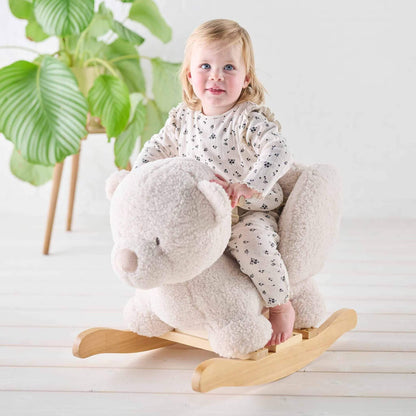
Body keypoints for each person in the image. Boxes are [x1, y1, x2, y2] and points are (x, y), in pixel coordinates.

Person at [133, 19, 296, 346]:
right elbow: (156, 149)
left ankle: (280, 304)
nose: (216, 76)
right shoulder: (183, 118)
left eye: (229, 67)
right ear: (190, 75)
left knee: (251, 243)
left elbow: (279, 150)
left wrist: (248, 185)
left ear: (246, 77)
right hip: (205, 215)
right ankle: (158, 306)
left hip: (248, 210)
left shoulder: (247, 118)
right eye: (205, 65)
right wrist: (138, 176)